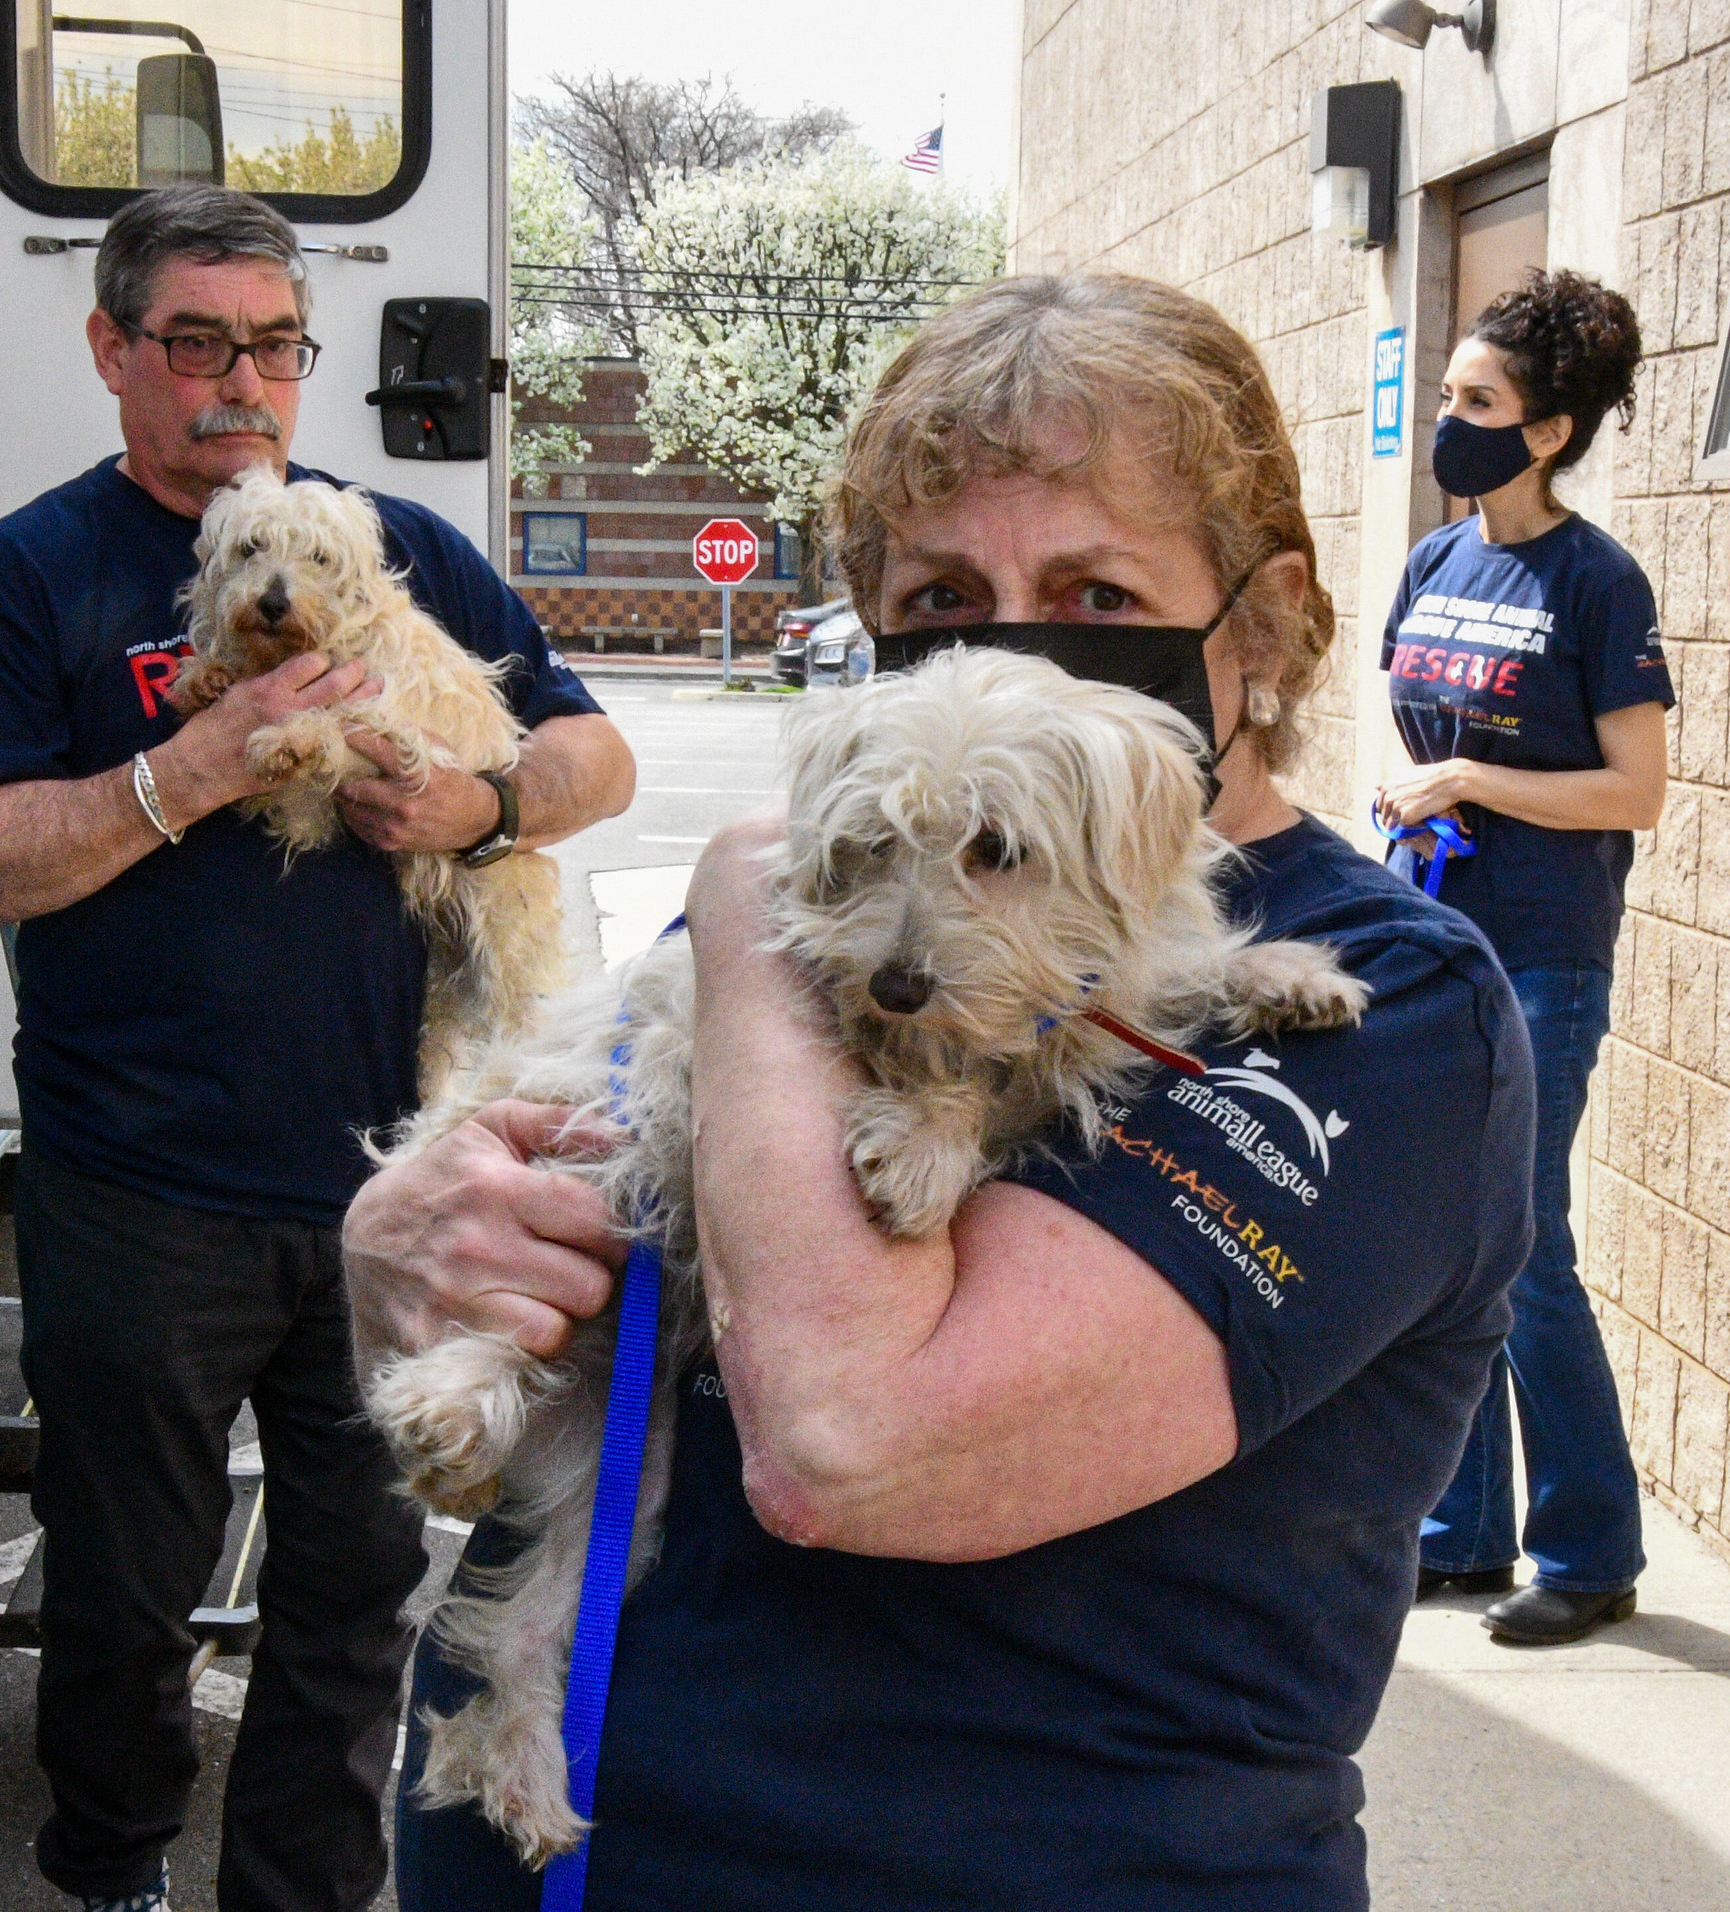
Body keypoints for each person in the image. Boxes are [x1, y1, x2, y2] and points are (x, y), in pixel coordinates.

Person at [344, 273, 1535, 1910]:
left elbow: (849, 1443)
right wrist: (405, 1241)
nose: (1009, 646)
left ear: (1254, 628)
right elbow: (579, 1203)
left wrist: (752, 883)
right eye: (943, 590)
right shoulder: (850, 891)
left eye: (1100, 593)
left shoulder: (1392, 1014)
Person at [0, 185, 634, 1912]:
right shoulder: (31, 575)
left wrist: (484, 800)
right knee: (120, 1595)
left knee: (352, 1602)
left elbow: (592, 762)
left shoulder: (400, 550)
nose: (243, 382)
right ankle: (108, 1871)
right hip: (138, 1191)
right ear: (113, 350)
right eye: (197, 342)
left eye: (276, 347)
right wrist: (199, 762)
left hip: (385, 1189)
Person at [1375, 268, 1673, 1644]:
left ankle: (1592, 1550)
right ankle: (1466, 1531)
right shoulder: (1439, 559)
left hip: (1544, 955)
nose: (1452, 421)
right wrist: (1419, 791)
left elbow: (1634, 791)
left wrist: (1476, 787)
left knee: (1530, 1248)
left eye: (1478, 402)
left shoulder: (1597, 579)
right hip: (1434, 938)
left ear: (1548, 431)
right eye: (1447, 396)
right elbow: (1427, 727)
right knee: (1451, 1238)